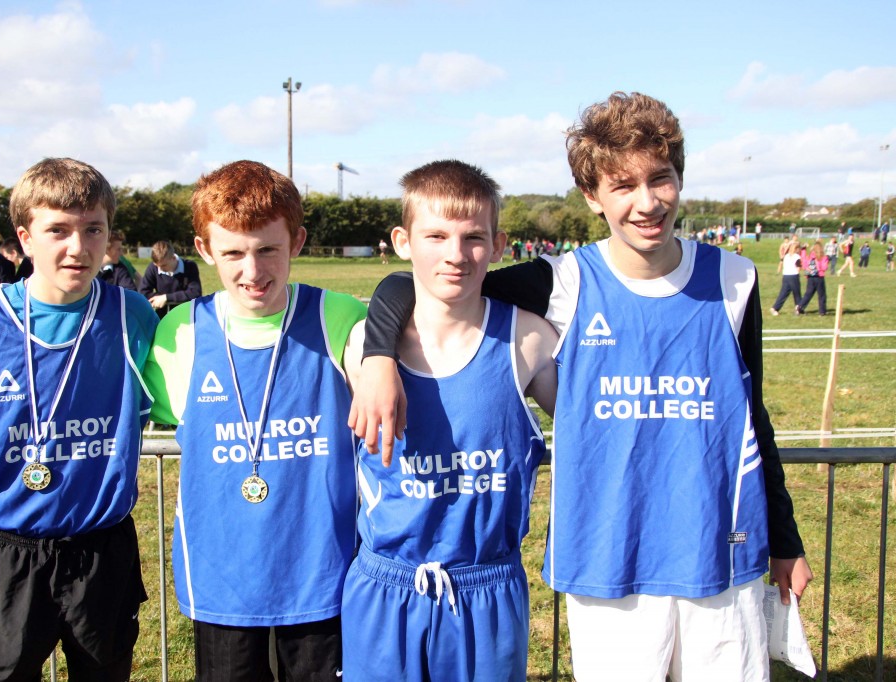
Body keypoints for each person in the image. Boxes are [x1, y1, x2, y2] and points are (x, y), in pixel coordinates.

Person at [351, 92, 812, 681]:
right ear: (593, 197)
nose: (647, 202)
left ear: (680, 180)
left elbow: (753, 416)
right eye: (623, 185)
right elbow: (414, 279)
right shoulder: (560, 282)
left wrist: (785, 538)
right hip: (608, 563)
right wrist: (379, 358)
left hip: (720, 555)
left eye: (660, 179)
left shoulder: (734, 279)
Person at [0, 158, 159, 679]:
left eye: (94, 229)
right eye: (57, 231)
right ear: (25, 237)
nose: (78, 247)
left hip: (101, 549)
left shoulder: (132, 316)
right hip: (4, 552)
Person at [143, 160, 365, 681]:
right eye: (233, 253)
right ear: (203, 250)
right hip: (223, 580)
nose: (252, 270)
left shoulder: (339, 318)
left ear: (298, 241)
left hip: (323, 574)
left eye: (269, 249)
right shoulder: (181, 332)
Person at [341, 160, 557, 681]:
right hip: (386, 587)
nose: (455, 255)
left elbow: (596, 430)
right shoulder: (360, 348)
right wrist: (377, 355)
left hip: (485, 587)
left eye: (473, 238)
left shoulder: (528, 340)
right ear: (402, 240)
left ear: (499, 245)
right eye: (435, 235)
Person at [139, 240, 201, 317]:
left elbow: (195, 292)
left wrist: (166, 298)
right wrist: (161, 298)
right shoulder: (153, 268)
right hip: (163, 316)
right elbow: (143, 292)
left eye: (163, 265)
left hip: (187, 314)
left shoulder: (190, 266)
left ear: (173, 258)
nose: (160, 269)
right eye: (157, 265)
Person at [796, 241, 829, 316]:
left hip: (810, 277)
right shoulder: (823, 257)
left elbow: (803, 262)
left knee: (808, 294)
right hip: (819, 277)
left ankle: (800, 306)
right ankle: (822, 311)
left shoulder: (810, 257)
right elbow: (824, 267)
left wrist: (803, 250)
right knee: (821, 295)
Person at [770, 241, 803, 316]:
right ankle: (798, 308)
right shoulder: (797, 257)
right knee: (797, 293)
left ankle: (775, 308)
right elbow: (798, 267)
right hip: (793, 275)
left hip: (785, 276)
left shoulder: (786, 256)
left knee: (783, 293)